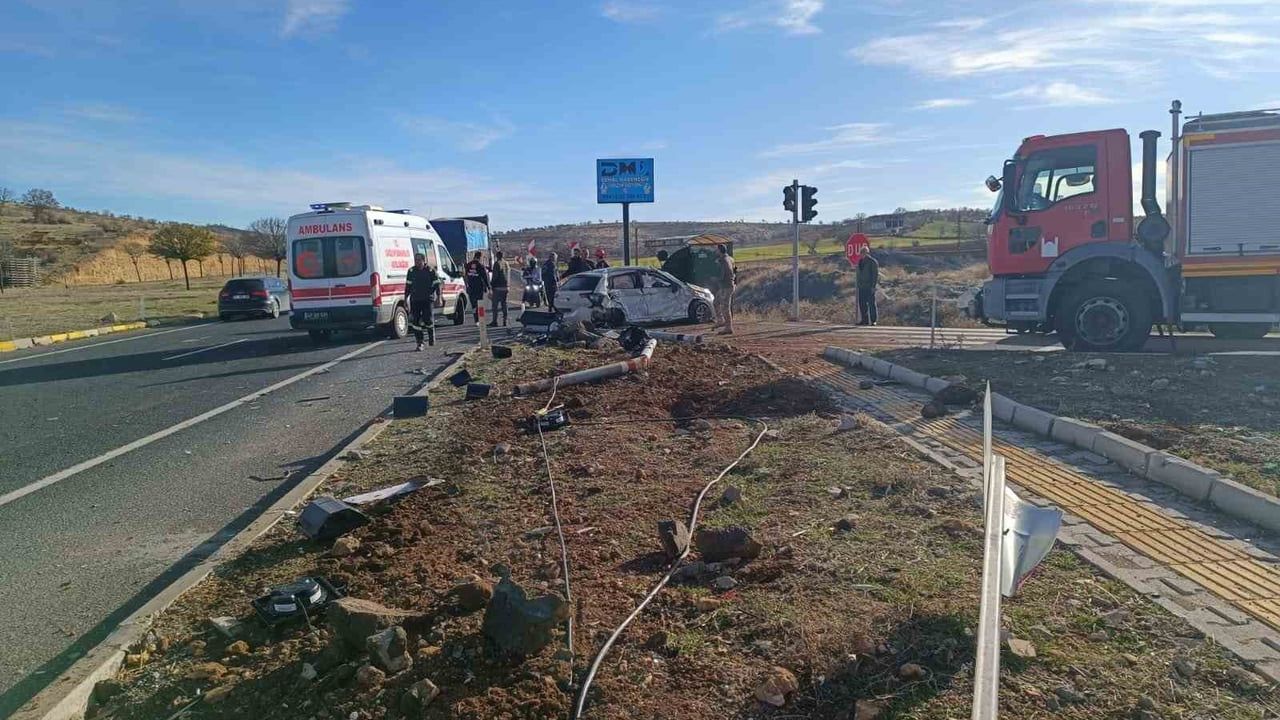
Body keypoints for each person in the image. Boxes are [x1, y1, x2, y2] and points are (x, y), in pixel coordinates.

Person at [405, 253, 440, 350]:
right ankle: (420, 342)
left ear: (424, 261)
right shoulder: (411, 271)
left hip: (427, 299)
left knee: (427, 319)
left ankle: (431, 336)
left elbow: (437, 285)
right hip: (415, 300)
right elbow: (408, 286)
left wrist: (439, 297)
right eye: (415, 260)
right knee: (415, 321)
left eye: (419, 260)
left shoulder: (430, 271)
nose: (417, 262)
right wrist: (405, 299)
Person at [713, 243, 736, 334]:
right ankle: (721, 320)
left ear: (719, 250)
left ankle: (728, 327)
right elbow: (734, 270)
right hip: (726, 285)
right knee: (716, 302)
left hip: (726, 286)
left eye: (716, 250)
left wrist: (715, 279)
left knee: (725, 307)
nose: (715, 251)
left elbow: (723, 275)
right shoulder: (730, 259)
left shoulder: (723, 261)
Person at [463, 250, 489, 325]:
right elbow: (485, 278)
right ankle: (481, 319)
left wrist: (466, 285)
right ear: (480, 257)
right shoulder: (480, 266)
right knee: (480, 305)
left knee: (474, 305)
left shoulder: (468, 265)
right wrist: (488, 287)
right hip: (479, 288)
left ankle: (476, 320)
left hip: (471, 288)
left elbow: (465, 276)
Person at [856, 248, 880, 326]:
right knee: (862, 304)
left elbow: (875, 275)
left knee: (871, 304)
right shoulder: (860, 262)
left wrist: (873, 286)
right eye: (861, 252)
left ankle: (873, 321)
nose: (862, 254)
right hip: (861, 286)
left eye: (863, 252)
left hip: (869, 286)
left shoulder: (872, 262)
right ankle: (864, 320)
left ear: (867, 252)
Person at [488, 250, 509, 327]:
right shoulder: (506, 263)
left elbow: (495, 276)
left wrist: (491, 285)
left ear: (497, 256)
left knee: (495, 306)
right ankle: (505, 320)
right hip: (505, 287)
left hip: (498, 287)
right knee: (504, 304)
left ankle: (495, 321)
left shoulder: (497, 264)